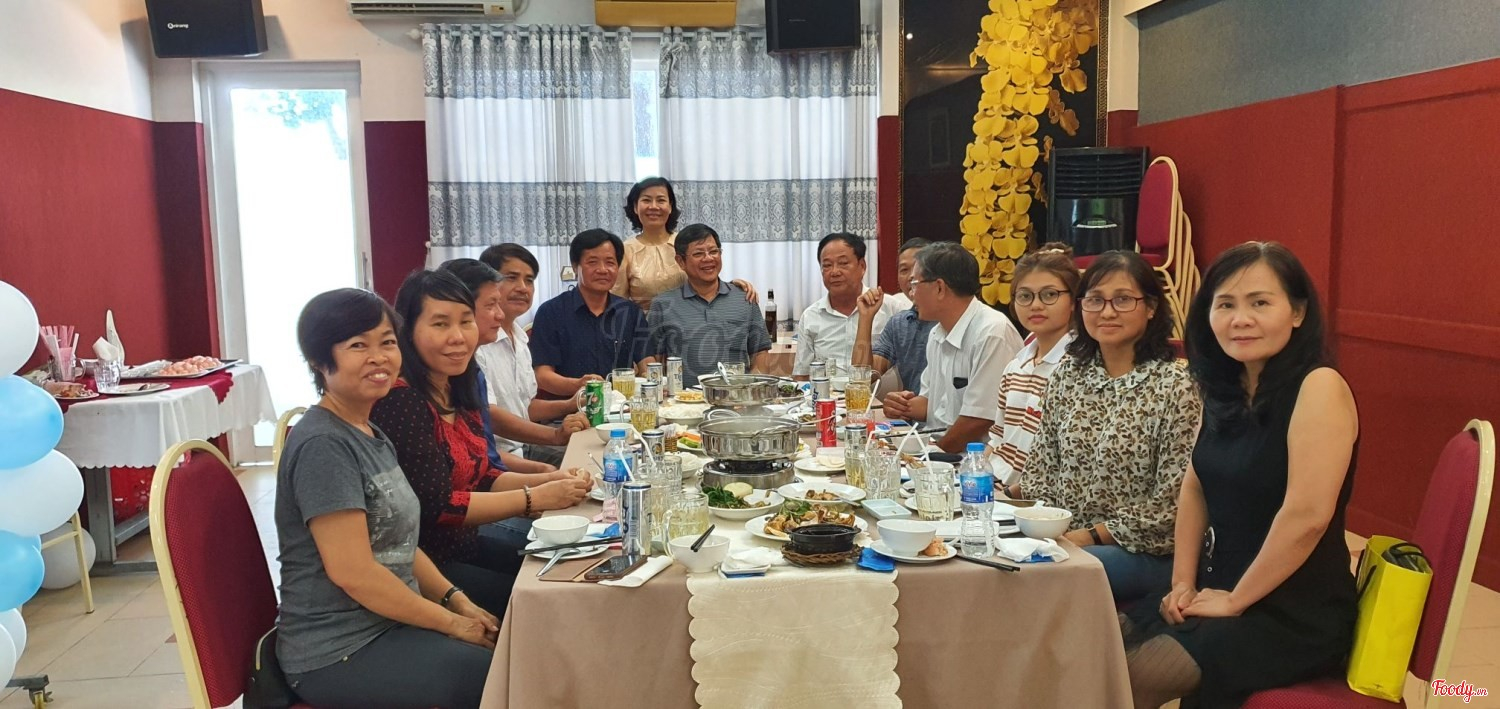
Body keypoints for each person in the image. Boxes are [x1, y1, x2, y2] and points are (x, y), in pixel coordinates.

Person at [1123, 242, 1358, 708]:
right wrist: (1182, 582)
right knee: (1096, 641)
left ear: (1297, 312)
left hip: (1292, 609)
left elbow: (1307, 516)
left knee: (1135, 674)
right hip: (1219, 582)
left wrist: (1235, 601)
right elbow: (1194, 488)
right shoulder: (1224, 387)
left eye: (1260, 303)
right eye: (1225, 304)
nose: (1240, 319)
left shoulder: (1319, 387)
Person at [275, 288, 494, 708]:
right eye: (359, 346)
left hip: (389, 623)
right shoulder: (324, 445)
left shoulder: (370, 430)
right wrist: (451, 624)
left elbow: (400, 542)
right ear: (319, 361)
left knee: (511, 642)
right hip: (338, 650)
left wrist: (457, 600)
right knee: (501, 675)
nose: (379, 358)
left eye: (387, 343)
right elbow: (354, 573)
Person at [370, 269, 592, 616]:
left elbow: (484, 474)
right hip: (426, 564)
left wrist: (550, 479)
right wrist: (533, 497)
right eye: (440, 324)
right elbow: (438, 506)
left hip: (465, 543)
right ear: (407, 330)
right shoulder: (402, 401)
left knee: (572, 567)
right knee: (550, 600)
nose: (458, 337)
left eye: (465, 321)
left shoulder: (460, 382)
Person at [1014, 250, 1201, 602]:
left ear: (1150, 307)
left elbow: (1171, 504)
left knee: (1040, 579)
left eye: (1123, 300)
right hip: (1062, 535)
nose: (1107, 312)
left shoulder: (1177, 385)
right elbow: (1041, 468)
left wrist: (1088, 537)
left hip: (1141, 549)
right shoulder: (1068, 375)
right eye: (1095, 300)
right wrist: (1046, 526)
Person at [438, 258, 582, 474]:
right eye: (512, 278)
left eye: (529, 280)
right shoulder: (464, 361)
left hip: (513, 453)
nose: (522, 288)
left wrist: (572, 404)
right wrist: (552, 444)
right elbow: (490, 427)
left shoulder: (517, 338)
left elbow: (524, 407)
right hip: (505, 457)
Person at [881, 243, 1022, 453]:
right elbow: (930, 404)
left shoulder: (992, 332)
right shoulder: (937, 333)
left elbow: (980, 419)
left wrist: (933, 455)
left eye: (915, 283)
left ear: (939, 288)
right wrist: (902, 406)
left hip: (977, 462)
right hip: (939, 448)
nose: (911, 293)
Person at [988, 243, 1079, 486]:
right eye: (1025, 296)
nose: (1035, 305)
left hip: (1034, 498)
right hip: (996, 486)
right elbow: (997, 439)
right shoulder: (1016, 366)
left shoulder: (1078, 368)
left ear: (1073, 301)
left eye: (1049, 295)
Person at [531, 229, 656, 396]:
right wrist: (580, 386)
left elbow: (646, 361)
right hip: (568, 407)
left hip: (620, 408)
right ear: (575, 267)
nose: (602, 270)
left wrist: (652, 380)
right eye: (592, 262)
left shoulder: (630, 312)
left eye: (610, 263)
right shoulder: (550, 312)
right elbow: (542, 375)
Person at [647, 224, 773, 381]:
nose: (708, 258)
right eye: (698, 253)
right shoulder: (663, 305)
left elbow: (760, 352)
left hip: (735, 394)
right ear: (681, 261)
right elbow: (654, 360)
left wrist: (751, 388)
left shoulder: (745, 298)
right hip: (684, 396)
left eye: (714, 251)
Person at [612, 176, 757, 310]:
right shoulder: (625, 250)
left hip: (693, 321)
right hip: (646, 325)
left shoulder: (687, 243)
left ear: (670, 207)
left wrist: (733, 287)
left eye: (661, 200)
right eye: (646, 200)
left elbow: (707, 279)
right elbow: (617, 302)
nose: (654, 206)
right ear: (635, 207)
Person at [793, 232, 903, 380]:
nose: (834, 272)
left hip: (878, 394)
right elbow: (802, 376)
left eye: (843, 263)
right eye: (827, 265)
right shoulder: (810, 316)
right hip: (827, 394)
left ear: (862, 266)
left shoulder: (892, 309)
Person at [851, 238, 937, 394]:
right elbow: (862, 378)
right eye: (904, 270)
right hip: (910, 410)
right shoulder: (900, 323)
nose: (911, 276)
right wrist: (865, 318)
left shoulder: (952, 318)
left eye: (919, 268)